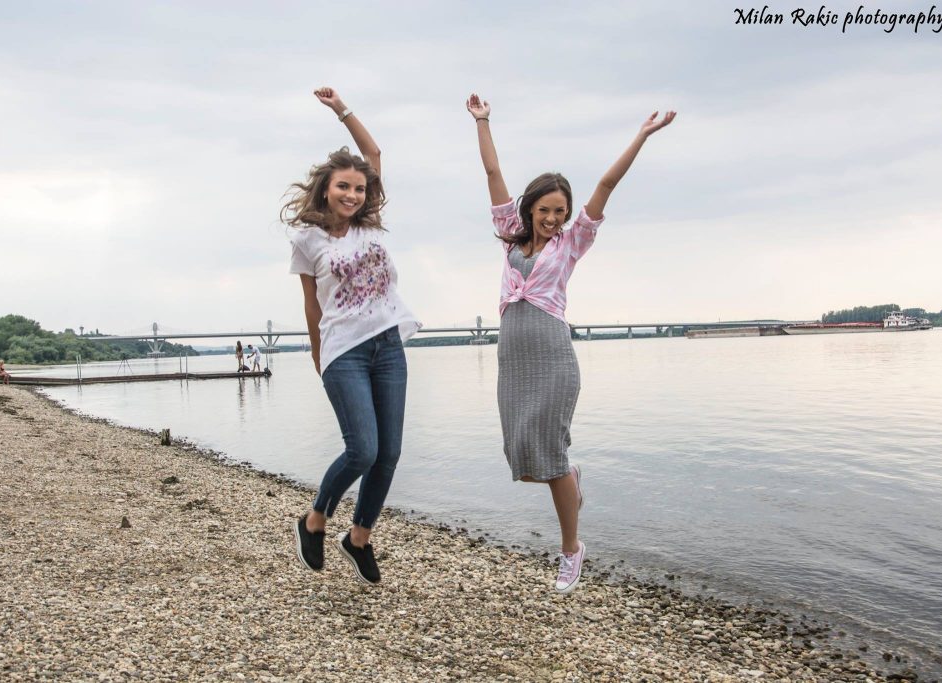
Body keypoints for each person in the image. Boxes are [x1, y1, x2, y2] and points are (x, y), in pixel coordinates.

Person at [465, 92, 676, 593]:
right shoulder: (510, 234)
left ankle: (570, 550)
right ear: (530, 207)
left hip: (553, 356)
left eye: (560, 211)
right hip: (513, 358)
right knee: (522, 457)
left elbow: (606, 184)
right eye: (545, 210)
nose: (553, 218)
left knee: (552, 456)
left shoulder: (572, 242)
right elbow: (492, 173)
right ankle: (571, 480)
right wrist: (483, 122)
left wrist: (642, 136)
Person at [287, 86, 420, 585]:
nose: (353, 195)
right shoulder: (307, 239)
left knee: (389, 453)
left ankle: (358, 538)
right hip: (343, 351)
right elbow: (311, 304)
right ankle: (314, 519)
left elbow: (374, 153)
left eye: (360, 189)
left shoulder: (369, 225)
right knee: (362, 449)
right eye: (344, 186)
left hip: (388, 345)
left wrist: (342, 110)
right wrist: (318, 355)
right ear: (326, 189)